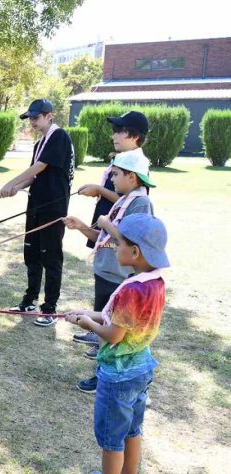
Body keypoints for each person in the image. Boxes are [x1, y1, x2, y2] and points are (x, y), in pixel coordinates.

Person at [64, 213, 169, 474]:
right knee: (131, 430)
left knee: (111, 437)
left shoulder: (131, 289)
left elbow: (113, 333)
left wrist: (87, 322)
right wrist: (89, 312)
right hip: (141, 368)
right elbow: (122, 321)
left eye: (118, 242)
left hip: (118, 375)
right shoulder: (154, 281)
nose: (113, 245)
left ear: (135, 252)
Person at [64, 111, 154, 393]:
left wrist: (103, 216)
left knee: (114, 327)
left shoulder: (138, 195)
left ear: (131, 176)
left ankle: (110, 376)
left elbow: (131, 237)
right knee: (105, 316)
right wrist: (82, 227)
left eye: (114, 175)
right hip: (106, 265)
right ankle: (103, 370)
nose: (111, 180)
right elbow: (106, 235)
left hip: (118, 270)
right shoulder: (123, 197)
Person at [0, 99, 74, 326]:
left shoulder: (59, 137)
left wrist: (9, 181)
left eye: (36, 117)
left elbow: (39, 166)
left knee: (50, 257)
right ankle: (29, 300)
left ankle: (49, 308)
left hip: (53, 208)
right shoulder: (40, 143)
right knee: (32, 254)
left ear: (49, 115)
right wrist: (16, 188)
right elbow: (35, 176)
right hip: (35, 205)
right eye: (30, 117)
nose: (32, 121)